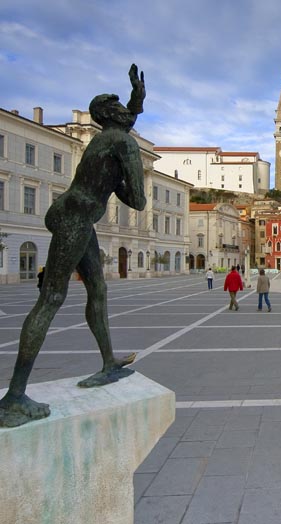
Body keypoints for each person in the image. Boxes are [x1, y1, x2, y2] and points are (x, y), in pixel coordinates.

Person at [0, 64, 147, 428]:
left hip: (78, 216)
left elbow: (125, 121)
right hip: (74, 218)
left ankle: (108, 362)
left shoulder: (106, 139)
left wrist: (136, 99)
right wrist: (123, 181)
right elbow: (140, 201)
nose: (128, 113)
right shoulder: (123, 143)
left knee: (98, 290)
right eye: (122, 108)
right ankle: (14, 397)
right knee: (51, 299)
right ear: (111, 115)